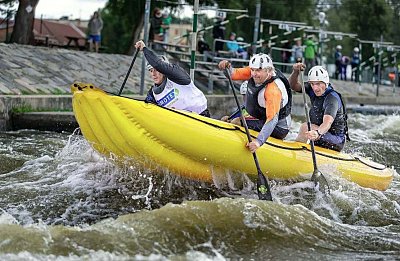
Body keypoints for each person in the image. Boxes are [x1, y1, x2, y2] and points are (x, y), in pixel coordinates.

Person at [218, 53, 292, 153]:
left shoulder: (273, 90)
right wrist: (226, 66)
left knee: (236, 122)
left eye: (258, 71)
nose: (253, 74)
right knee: (225, 119)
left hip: (278, 127)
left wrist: (258, 142)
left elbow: (272, 120)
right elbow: (233, 74)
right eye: (252, 70)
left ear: (268, 71)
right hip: (261, 118)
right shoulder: (255, 71)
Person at [134, 40, 210, 117]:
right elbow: (146, 110)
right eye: (151, 70)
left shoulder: (177, 75)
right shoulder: (152, 94)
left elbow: (158, 65)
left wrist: (144, 49)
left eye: (156, 70)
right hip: (180, 123)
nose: (153, 74)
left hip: (201, 116)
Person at [288, 63, 350, 152]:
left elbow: (327, 123)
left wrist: (317, 133)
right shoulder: (312, 89)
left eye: (318, 84)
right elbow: (293, 85)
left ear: (326, 82)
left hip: (335, 140)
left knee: (305, 127)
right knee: (307, 128)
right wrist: (295, 72)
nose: (315, 88)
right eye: (312, 84)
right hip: (321, 134)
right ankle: (298, 150)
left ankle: (296, 153)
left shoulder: (332, 98)